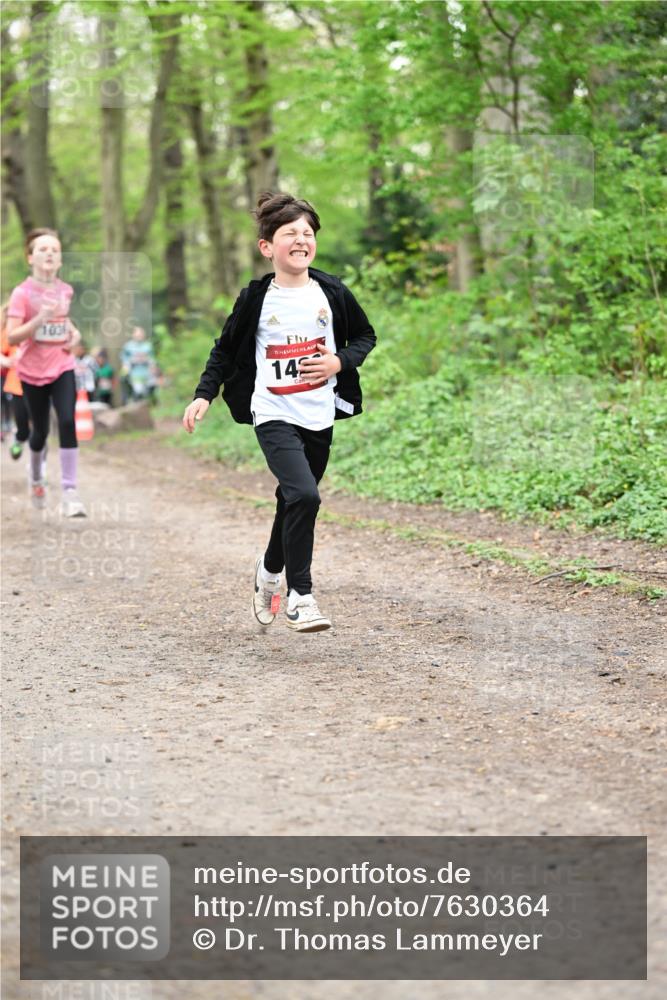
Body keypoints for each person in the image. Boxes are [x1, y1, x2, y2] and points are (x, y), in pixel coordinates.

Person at [183, 192, 376, 632]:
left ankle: (269, 570)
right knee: (306, 496)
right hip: (272, 410)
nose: (301, 240)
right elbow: (226, 351)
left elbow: (365, 336)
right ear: (267, 247)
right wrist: (203, 394)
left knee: (293, 498)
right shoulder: (256, 299)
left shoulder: (332, 292)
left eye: (307, 233)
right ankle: (300, 596)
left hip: (319, 412)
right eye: (290, 233)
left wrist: (337, 362)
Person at [6, 228, 86, 517]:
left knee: (66, 421)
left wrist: (75, 337)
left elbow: (64, 324)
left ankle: (69, 491)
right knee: (38, 432)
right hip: (30, 371)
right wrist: (40, 318)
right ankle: (37, 476)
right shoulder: (21, 294)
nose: (49, 253)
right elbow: (13, 336)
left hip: (62, 365)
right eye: (42, 249)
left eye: (55, 249)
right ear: (30, 257)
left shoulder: (65, 290)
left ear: (61, 259)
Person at [1, 304, 31, 460]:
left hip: (40, 383)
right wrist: (6, 361)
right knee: (23, 426)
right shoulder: (8, 333)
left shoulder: (35, 328)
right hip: (16, 384)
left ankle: (39, 468)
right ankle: (19, 439)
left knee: (40, 428)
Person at [120, 326, 158, 403]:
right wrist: (130, 363)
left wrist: (148, 361)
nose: (139, 337)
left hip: (146, 372)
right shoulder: (128, 346)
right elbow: (124, 359)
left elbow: (153, 359)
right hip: (134, 373)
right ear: (133, 335)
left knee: (150, 388)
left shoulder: (148, 346)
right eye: (137, 335)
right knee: (137, 390)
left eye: (141, 335)